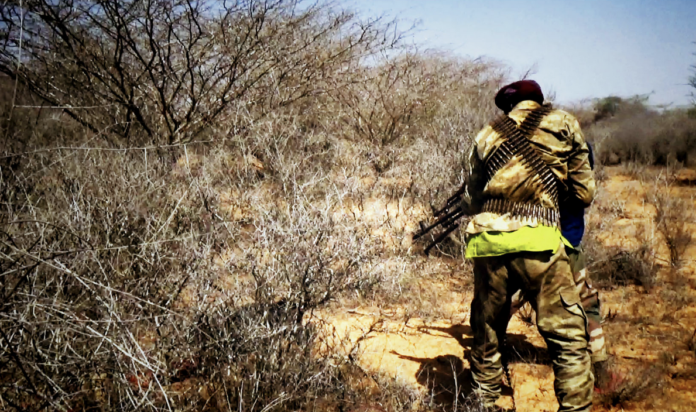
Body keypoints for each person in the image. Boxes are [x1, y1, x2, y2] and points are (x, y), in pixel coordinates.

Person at [461, 80, 595, 411]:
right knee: (567, 337)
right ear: (539, 101)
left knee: (486, 331)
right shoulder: (563, 123)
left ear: (508, 108)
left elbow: (472, 198)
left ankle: (483, 401)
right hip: (540, 243)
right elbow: (584, 193)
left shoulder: (486, 133)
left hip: (489, 242)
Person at [508, 143, 613, 390]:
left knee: (505, 300)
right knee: (587, 304)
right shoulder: (580, 182)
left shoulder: (544, 179)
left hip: (536, 248)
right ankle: (601, 370)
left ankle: (484, 360)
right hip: (567, 248)